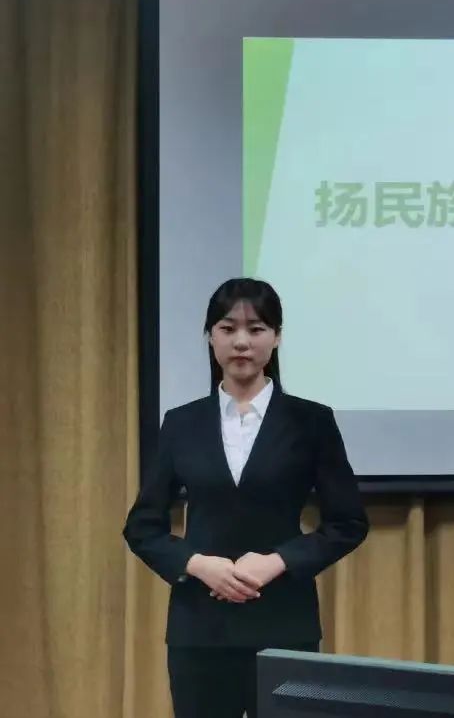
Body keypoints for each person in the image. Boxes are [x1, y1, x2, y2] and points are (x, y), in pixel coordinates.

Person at [123, 278, 368, 718]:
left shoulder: (311, 421)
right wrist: (198, 565)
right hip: (200, 630)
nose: (241, 342)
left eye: (256, 329)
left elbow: (348, 523)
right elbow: (142, 527)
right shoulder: (181, 423)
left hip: (284, 624)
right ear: (210, 337)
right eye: (227, 328)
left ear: (276, 338)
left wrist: (278, 561)